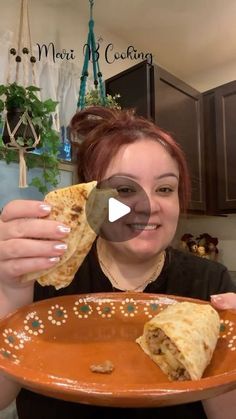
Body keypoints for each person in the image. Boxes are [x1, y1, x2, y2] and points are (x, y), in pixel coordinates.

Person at [0, 106, 236, 419]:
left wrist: (228, 355)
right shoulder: (45, 274)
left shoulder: (209, 283)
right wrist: (9, 292)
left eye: (165, 189)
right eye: (125, 189)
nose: (148, 206)